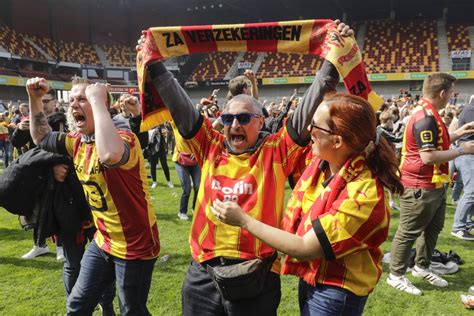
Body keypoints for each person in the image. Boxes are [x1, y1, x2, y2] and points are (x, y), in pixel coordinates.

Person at [139, 20, 352, 315]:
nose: (234, 125)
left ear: (261, 121)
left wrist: (333, 57)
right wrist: (155, 64)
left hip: (257, 273)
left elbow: (308, 107)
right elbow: (181, 108)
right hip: (203, 273)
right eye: (228, 119)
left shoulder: (276, 151)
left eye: (243, 119)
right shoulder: (209, 145)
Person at [211, 93, 402, 315]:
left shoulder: (362, 194)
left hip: (336, 291)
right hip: (312, 279)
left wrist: (243, 220)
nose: (309, 132)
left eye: (315, 127)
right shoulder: (323, 165)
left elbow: (304, 247)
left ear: (337, 141)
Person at [26, 77, 160, 315]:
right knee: (77, 305)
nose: (74, 104)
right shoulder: (76, 142)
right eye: (73, 100)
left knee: (132, 310)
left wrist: (99, 98)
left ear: (101, 106)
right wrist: (35, 99)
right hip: (104, 240)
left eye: (83, 99)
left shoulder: (124, 139)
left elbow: (109, 155)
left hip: (135, 244)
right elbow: (41, 137)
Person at [387, 73, 474, 295]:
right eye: (451, 93)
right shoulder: (425, 117)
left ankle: (421, 266)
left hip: (433, 184)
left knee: (432, 230)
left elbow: (437, 143)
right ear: (442, 93)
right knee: (409, 232)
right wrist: (463, 149)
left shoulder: (429, 114)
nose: (451, 97)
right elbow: (428, 157)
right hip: (419, 185)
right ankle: (395, 275)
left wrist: (458, 134)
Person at [451, 97, 474, 240]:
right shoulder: (471, 110)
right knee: (471, 191)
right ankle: (458, 227)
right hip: (467, 155)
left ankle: (466, 222)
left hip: (467, 155)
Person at [147, 124, 174, 189]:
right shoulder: (147, 127)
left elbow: (165, 134)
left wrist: (164, 133)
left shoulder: (160, 126)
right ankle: (154, 182)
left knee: (164, 165)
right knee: (153, 166)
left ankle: (169, 181)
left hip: (161, 148)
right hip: (152, 148)